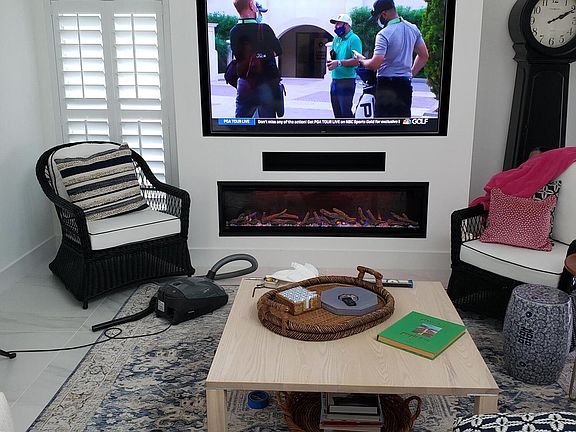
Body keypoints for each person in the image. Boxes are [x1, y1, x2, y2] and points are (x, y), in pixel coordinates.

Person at [355, 0, 429, 118]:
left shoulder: (383, 34)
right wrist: (410, 74)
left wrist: (362, 61)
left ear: (384, 14)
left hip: (386, 85)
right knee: (403, 122)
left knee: (384, 124)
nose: (378, 21)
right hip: (405, 85)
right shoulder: (413, 28)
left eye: (378, 17)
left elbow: (375, 64)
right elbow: (424, 56)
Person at [230, 0, 282, 118]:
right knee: (267, 121)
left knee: (242, 120)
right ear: (251, 5)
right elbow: (279, 50)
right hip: (265, 83)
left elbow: (238, 56)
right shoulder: (264, 29)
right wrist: (265, 54)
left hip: (245, 82)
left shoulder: (234, 31)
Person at [326, 14, 363, 118]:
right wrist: (331, 60)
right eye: (335, 24)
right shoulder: (336, 39)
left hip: (347, 81)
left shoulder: (354, 39)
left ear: (346, 25)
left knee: (345, 113)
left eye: (338, 24)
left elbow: (357, 60)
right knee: (337, 114)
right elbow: (333, 54)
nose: (336, 26)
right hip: (335, 80)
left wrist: (338, 63)